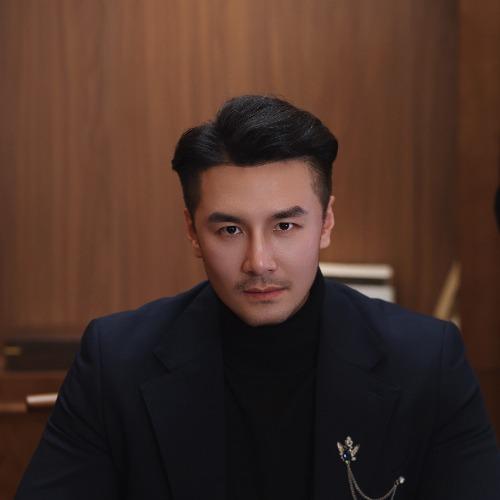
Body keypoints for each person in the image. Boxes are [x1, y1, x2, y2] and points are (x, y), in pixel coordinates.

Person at [16, 95, 500, 500]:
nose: (259, 261)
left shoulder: (427, 361)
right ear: (192, 231)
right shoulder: (115, 361)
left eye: (285, 226)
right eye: (229, 230)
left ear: (326, 222)